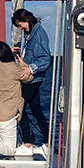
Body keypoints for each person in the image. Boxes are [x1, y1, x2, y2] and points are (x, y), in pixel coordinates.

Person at [12, 8, 52, 149]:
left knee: (19, 108)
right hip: (34, 78)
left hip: (32, 78)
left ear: (26, 20)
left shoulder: (38, 34)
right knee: (36, 109)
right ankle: (47, 141)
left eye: (19, 24)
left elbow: (45, 59)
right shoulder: (30, 33)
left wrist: (29, 69)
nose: (19, 27)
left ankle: (27, 142)